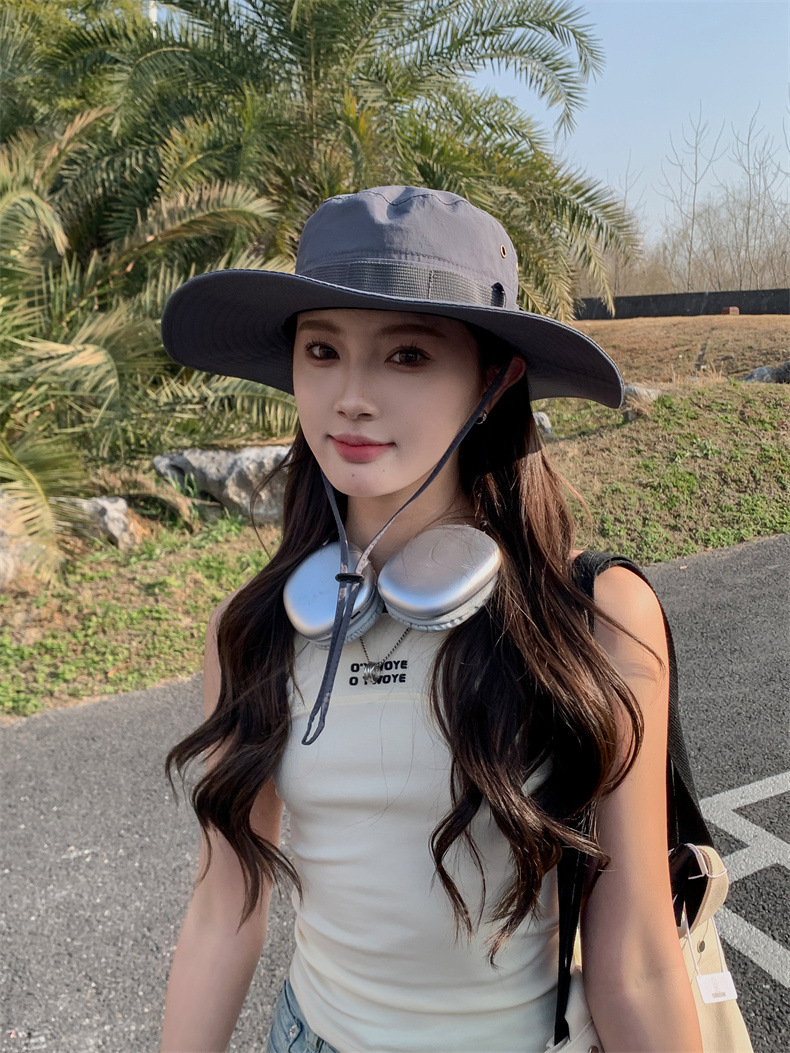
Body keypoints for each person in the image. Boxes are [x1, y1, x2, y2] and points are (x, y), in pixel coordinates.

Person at [158, 186, 703, 1053]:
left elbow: (636, 956)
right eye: (322, 350)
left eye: (407, 354)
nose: (351, 397)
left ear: (494, 379)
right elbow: (224, 908)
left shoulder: (595, 619)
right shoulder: (251, 630)